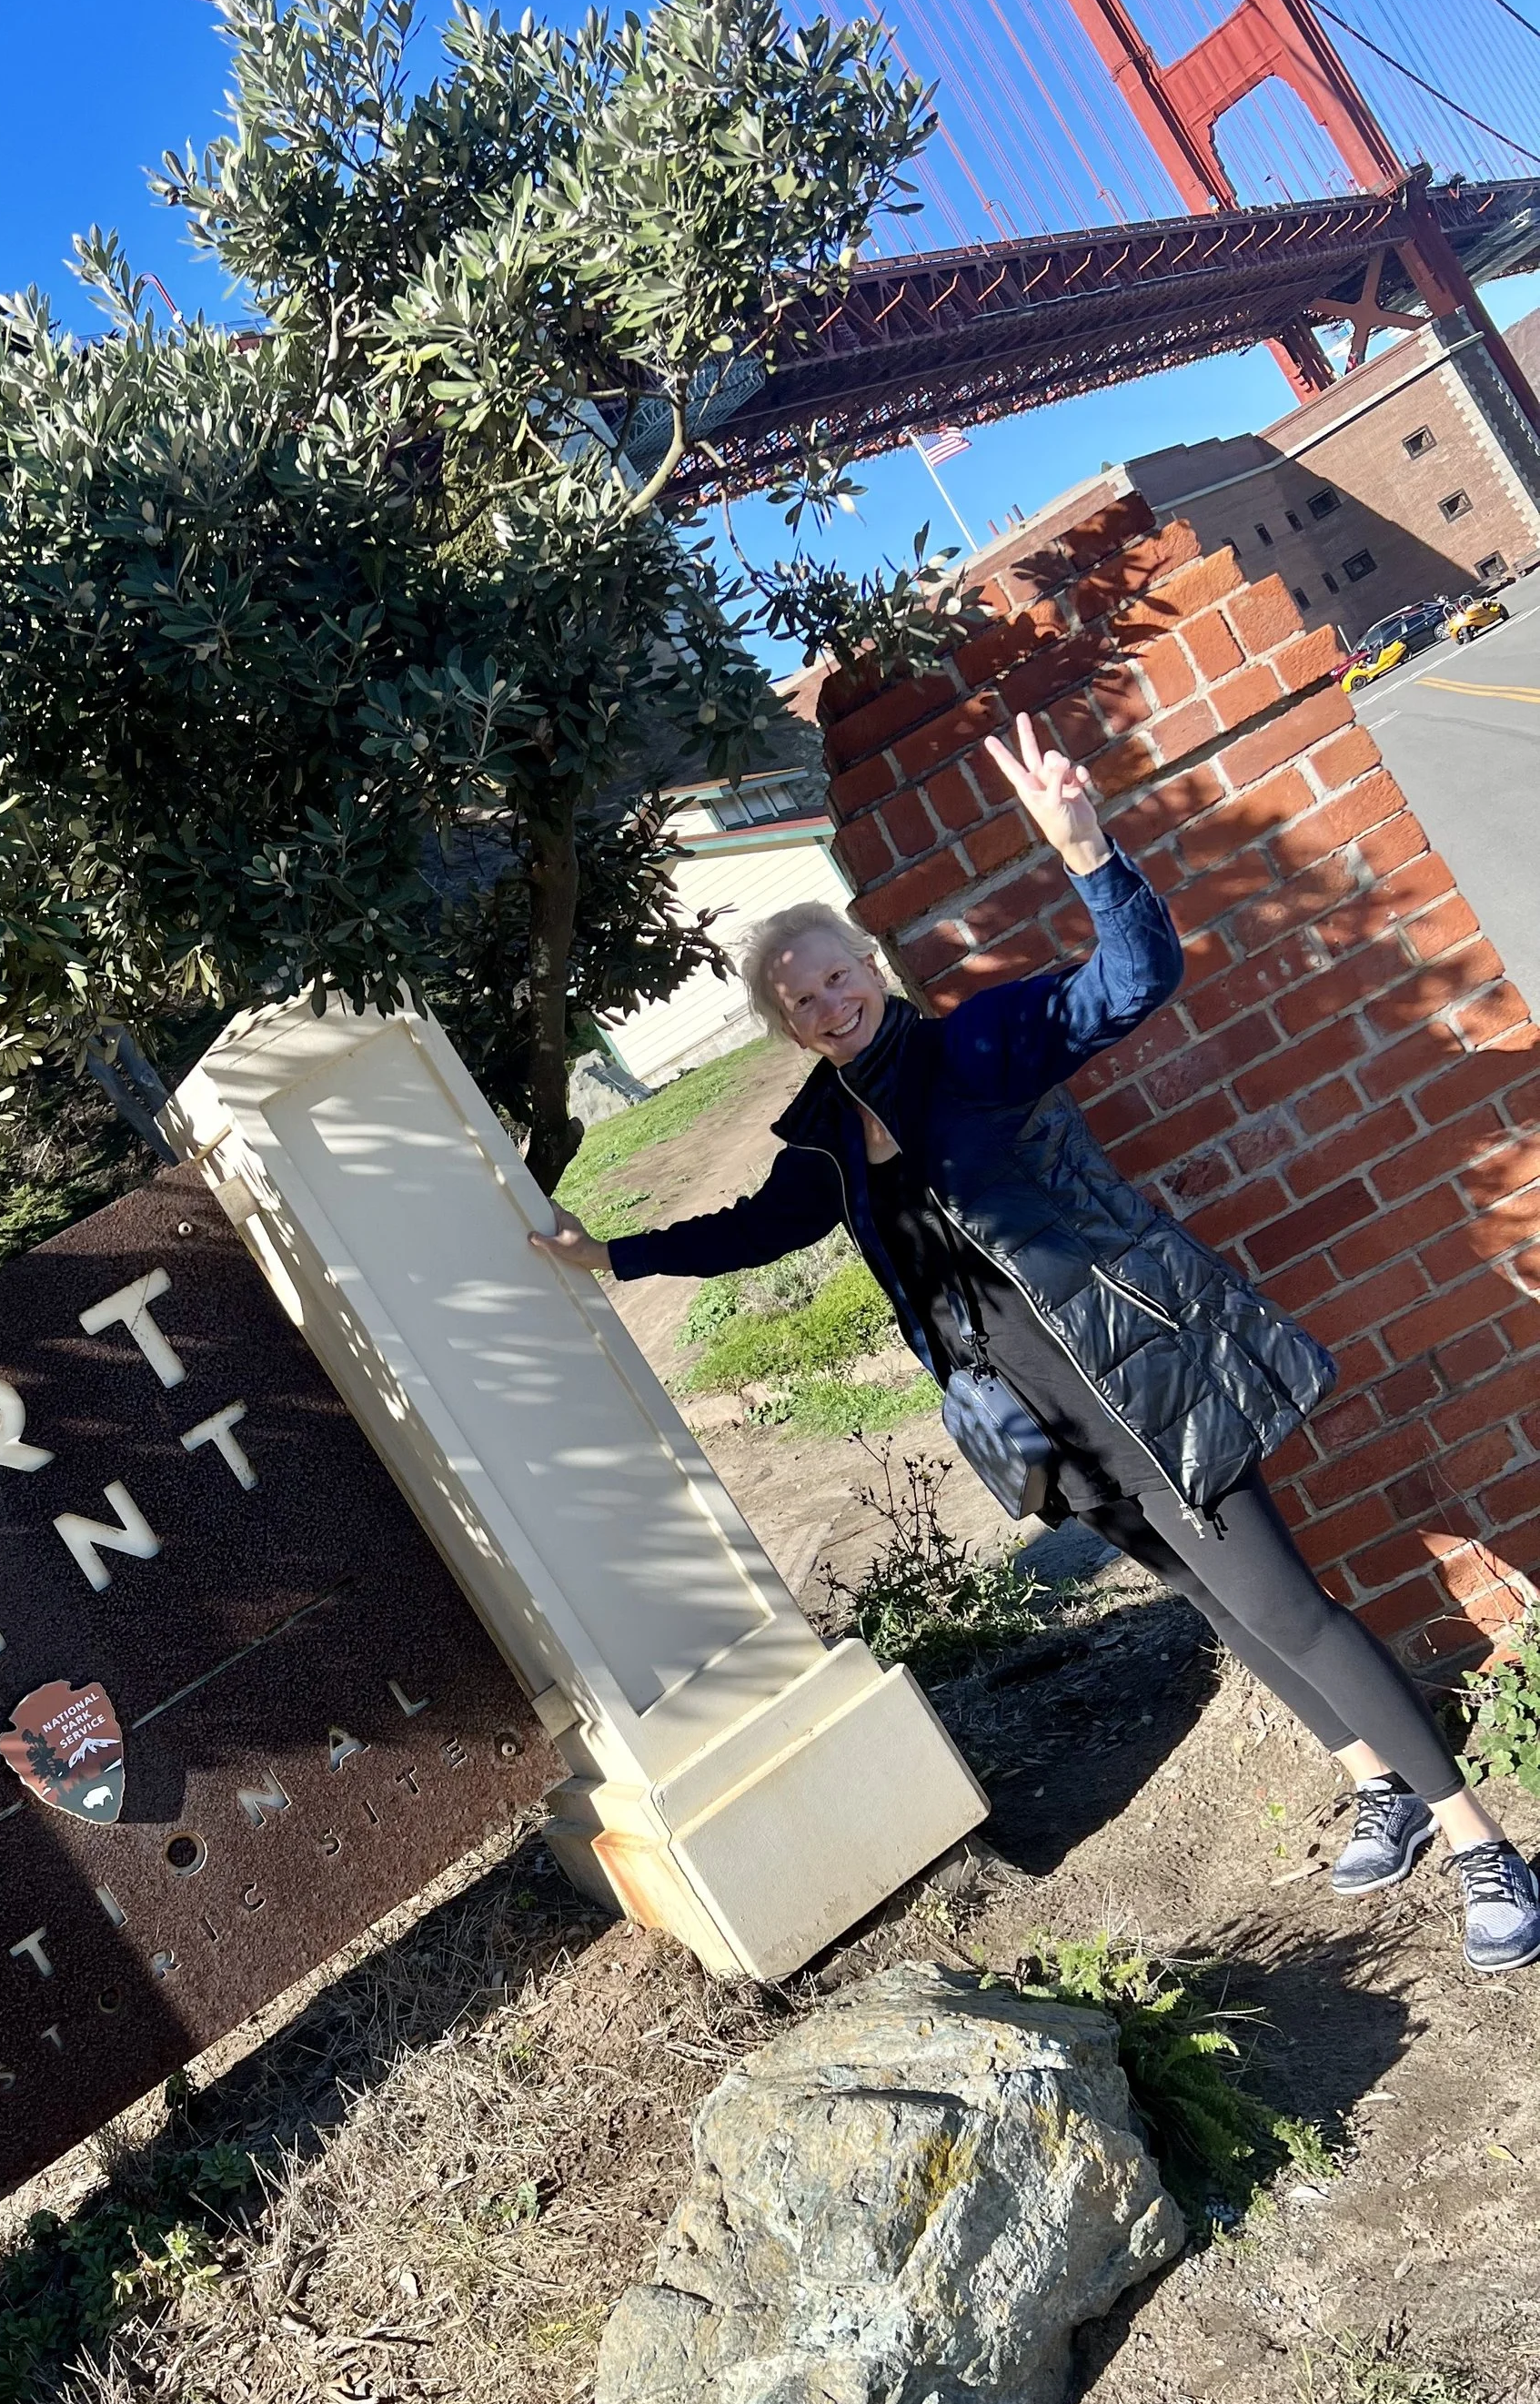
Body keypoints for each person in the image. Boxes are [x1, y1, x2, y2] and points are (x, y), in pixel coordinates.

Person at [531, 712, 1540, 1975]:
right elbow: (756, 1229)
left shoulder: (979, 1046)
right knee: (1215, 1603)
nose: (829, 1003)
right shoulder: (825, 1138)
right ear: (787, 1024)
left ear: (871, 966)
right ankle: (1373, 1783)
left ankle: (1481, 1843)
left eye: (839, 975)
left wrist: (1087, 853)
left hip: (1141, 1369)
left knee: (1290, 1606)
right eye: (802, 1000)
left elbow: (1130, 983)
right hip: (1041, 1420)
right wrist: (611, 1256)